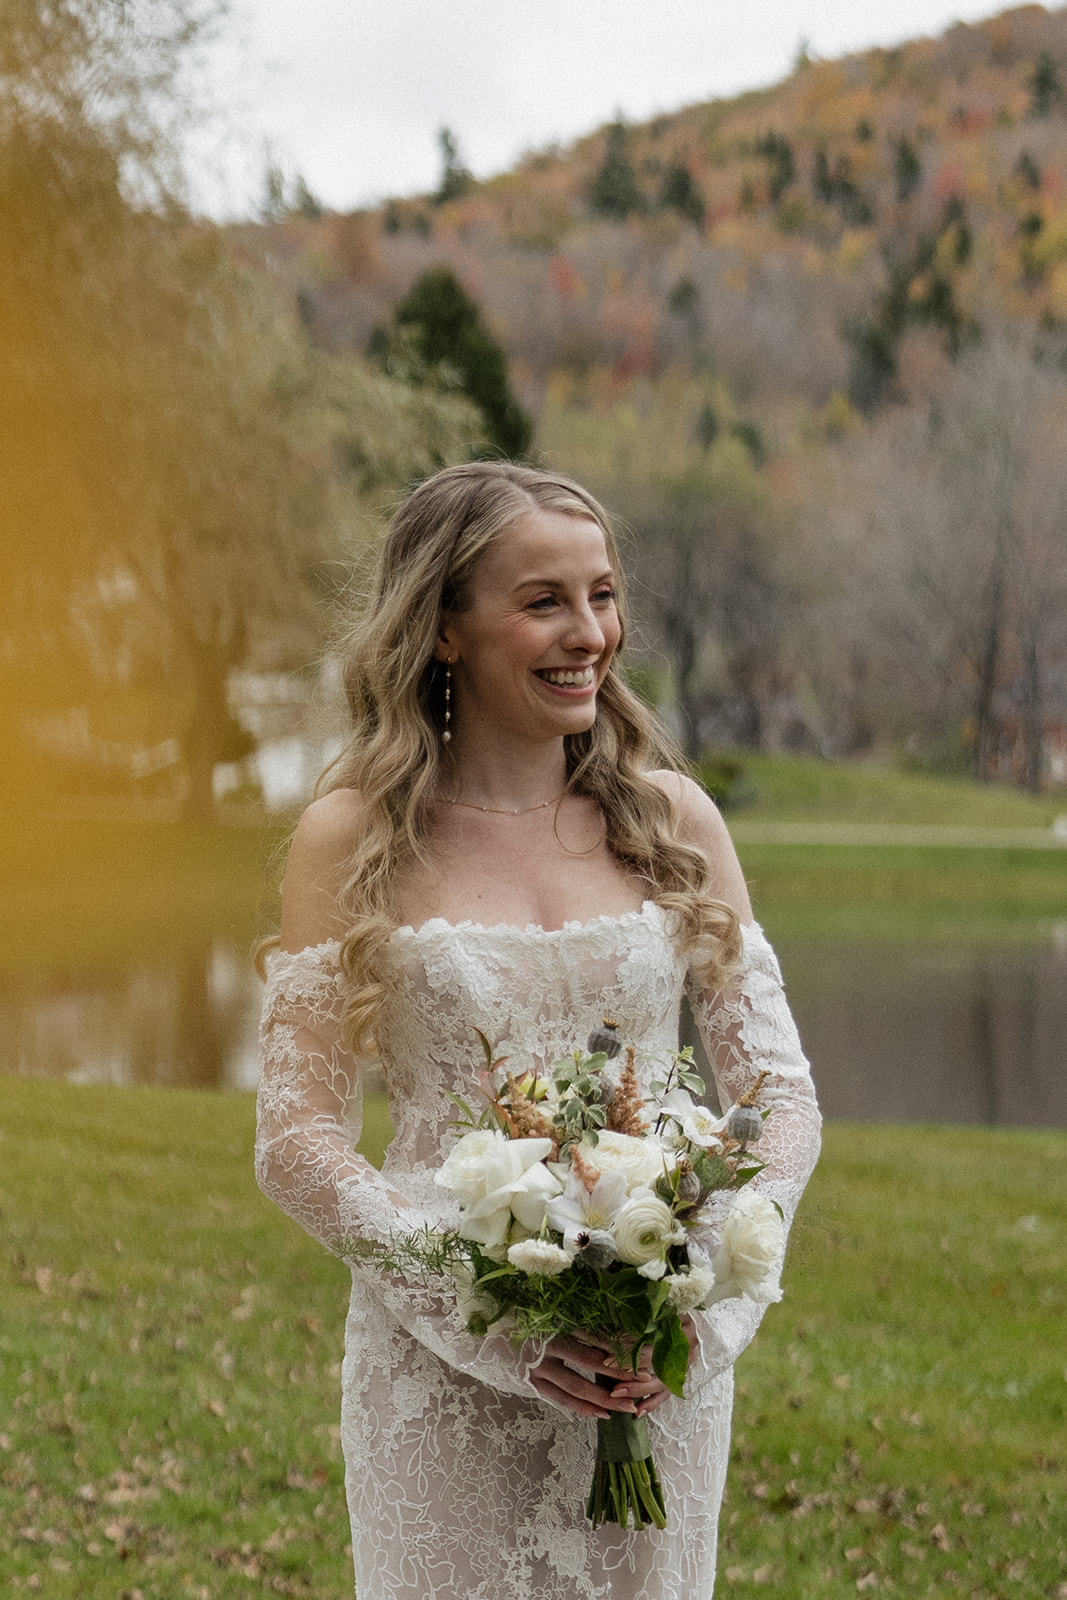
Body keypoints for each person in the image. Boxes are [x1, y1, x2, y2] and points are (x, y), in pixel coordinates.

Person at [255, 461, 821, 1600]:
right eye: (543, 600)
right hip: (442, 1374)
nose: (588, 633)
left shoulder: (670, 819)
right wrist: (488, 1314)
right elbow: (296, 1140)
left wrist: (705, 1299)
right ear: (445, 627)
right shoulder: (351, 836)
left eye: (601, 594)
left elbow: (777, 1093)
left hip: (653, 1373)